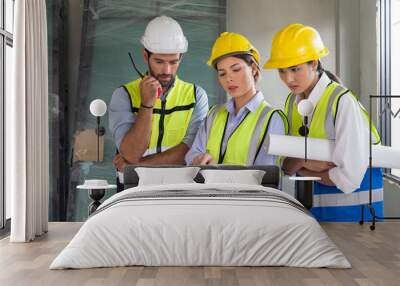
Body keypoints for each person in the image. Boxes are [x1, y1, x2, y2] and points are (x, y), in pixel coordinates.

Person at [263, 23, 383, 221]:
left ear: (314, 63)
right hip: (314, 215)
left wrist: (301, 166)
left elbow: (349, 179)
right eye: (282, 71)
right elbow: (285, 164)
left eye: (295, 69)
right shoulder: (292, 102)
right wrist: (304, 162)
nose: (288, 78)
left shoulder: (342, 102)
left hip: (355, 219)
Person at [109, 16, 208, 191]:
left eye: (173, 62)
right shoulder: (123, 95)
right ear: (145, 56)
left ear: (181, 58)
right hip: (133, 192)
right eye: (159, 62)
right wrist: (146, 104)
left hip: (180, 191)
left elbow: (189, 151)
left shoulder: (196, 96)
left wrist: (136, 166)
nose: (166, 71)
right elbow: (131, 153)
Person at [185, 32, 288, 166]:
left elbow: (268, 175)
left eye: (236, 69)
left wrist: (221, 174)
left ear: (254, 69)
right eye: (222, 73)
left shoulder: (273, 118)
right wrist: (197, 160)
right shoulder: (213, 115)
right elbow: (192, 155)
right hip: (208, 187)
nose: (229, 78)